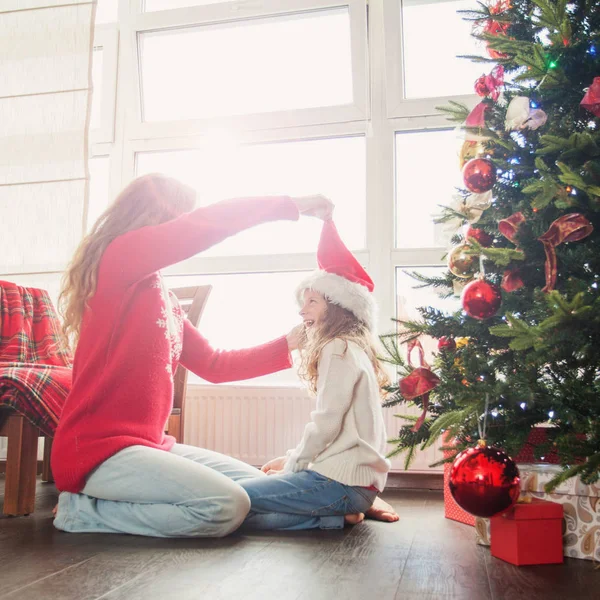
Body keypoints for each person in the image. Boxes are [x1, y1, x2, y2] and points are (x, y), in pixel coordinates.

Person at [51, 172, 334, 538]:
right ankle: (83, 512)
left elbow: (214, 364)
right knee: (226, 504)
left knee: (263, 488)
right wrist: (291, 205)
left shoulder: (161, 296)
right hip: (97, 451)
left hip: (150, 446)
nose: (183, 227)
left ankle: (328, 517)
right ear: (155, 215)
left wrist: (289, 342)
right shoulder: (118, 257)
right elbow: (205, 225)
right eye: (181, 216)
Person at [238, 219, 394, 531]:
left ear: (338, 308)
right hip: (356, 485)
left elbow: (326, 423)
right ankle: (337, 515)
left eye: (313, 301)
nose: (302, 310)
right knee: (243, 499)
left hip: (341, 484)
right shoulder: (354, 348)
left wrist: (294, 466)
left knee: (232, 499)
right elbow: (340, 432)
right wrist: (291, 458)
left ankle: (333, 513)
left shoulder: (337, 348)